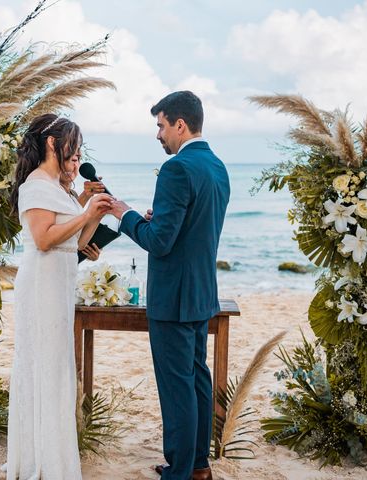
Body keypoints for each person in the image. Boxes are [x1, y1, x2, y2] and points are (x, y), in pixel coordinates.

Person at [109, 91, 230, 480]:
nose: (158, 134)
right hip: (200, 294)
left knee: (177, 386)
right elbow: (190, 228)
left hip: (173, 297)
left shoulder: (177, 169)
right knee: (196, 378)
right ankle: (197, 465)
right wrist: (157, 218)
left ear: (180, 124)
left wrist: (124, 213)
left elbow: (159, 242)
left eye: (160, 125)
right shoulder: (217, 166)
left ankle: (178, 472)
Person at [4, 113, 113, 479]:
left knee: (57, 365)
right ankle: (41, 459)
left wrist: (93, 213)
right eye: (73, 147)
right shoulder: (35, 184)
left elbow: (77, 243)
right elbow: (44, 239)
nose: (77, 157)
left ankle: (55, 455)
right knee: (43, 364)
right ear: (52, 143)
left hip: (60, 282)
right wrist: (84, 213)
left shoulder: (59, 187)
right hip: (42, 285)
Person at [59, 155, 105, 261]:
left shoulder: (73, 195)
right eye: (65, 159)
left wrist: (89, 254)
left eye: (76, 160)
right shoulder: (48, 193)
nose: (71, 164)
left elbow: (76, 239)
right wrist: (86, 196)